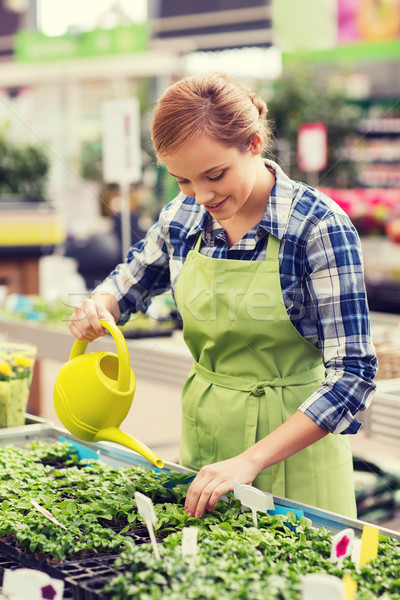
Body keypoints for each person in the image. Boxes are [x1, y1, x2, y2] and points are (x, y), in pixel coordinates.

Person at [69, 72, 377, 520]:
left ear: (253, 143)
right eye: (184, 180)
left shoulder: (317, 227)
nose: (203, 195)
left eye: (215, 175)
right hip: (206, 448)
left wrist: (251, 460)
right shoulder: (182, 216)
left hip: (296, 458)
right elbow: (129, 283)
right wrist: (100, 305)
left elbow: (354, 375)